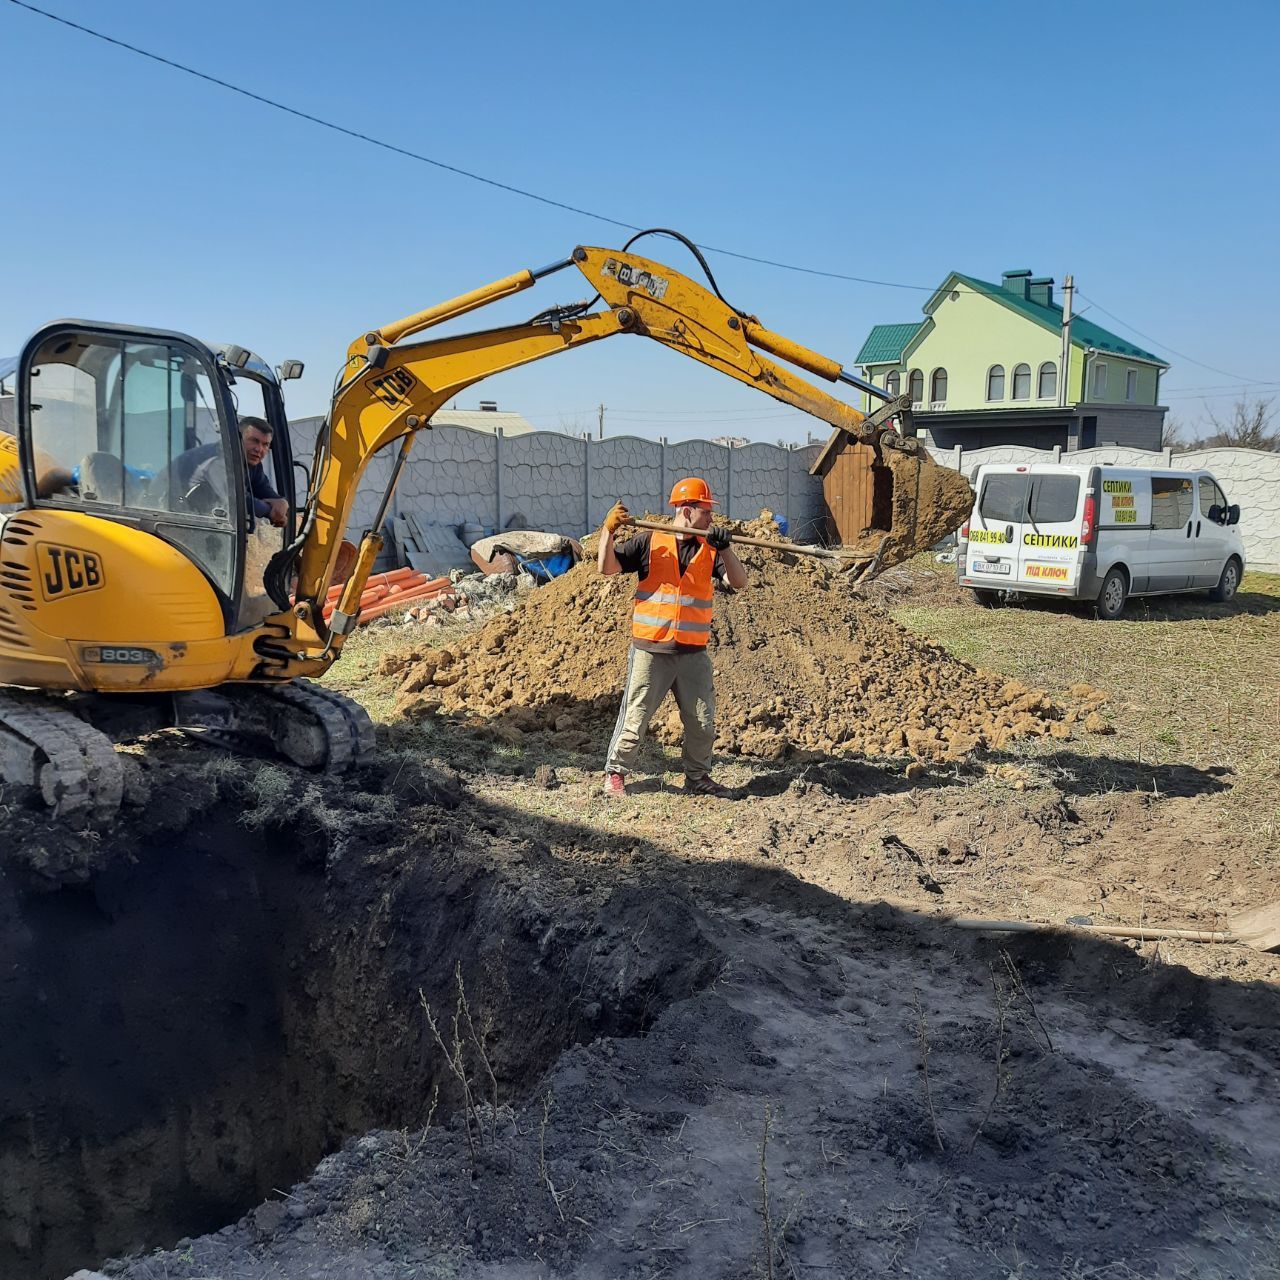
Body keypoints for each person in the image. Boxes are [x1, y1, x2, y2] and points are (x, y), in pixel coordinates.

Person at [598, 477, 748, 798]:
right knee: (636, 716)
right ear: (686, 510)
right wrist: (608, 532)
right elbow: (607, 567)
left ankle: (698, 778)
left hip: (693, 653)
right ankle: (615, 776)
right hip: (651, 650)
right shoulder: (648, 542)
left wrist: (727, 548)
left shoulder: (711, 548)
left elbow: (739, 582)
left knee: (702, 721)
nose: (711, 517)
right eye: (706, 510)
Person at [168, 416, 288, 526]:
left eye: (265, 444)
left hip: (202, 520)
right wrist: (270, 510)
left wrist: (281, 503)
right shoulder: (219, 458)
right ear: (236, 438)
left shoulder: (252, 464)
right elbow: (236, 499)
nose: (259, 449)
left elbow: (265, 491)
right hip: (171, 517)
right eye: (254, 440)